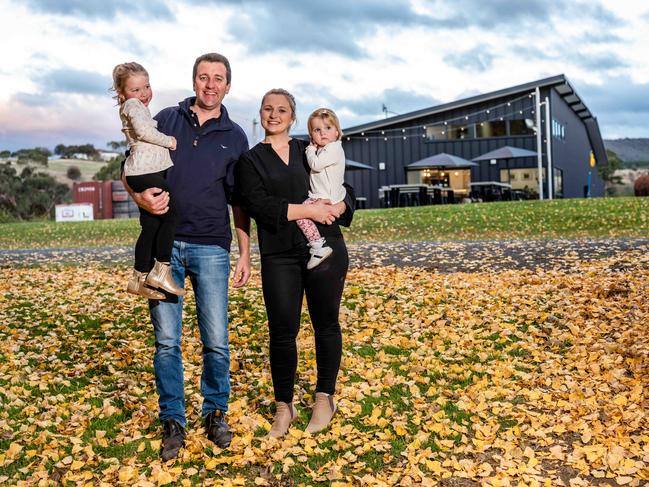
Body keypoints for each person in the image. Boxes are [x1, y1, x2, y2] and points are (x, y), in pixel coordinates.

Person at [123, 53, 251, 461]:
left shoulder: (235, 134)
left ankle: (215, 413)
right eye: (203, 77)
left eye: (218, 79)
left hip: (212, 246)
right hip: (166, 248)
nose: (210, 85)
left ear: (228, 86)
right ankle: (173, 419)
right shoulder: (163, 118)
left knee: (216, 341)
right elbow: (130, 166)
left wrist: (245, 253)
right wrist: (138, 196)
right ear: (193, 80)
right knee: (166, 342)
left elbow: (240, 201)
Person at [235, 89, 355, 438]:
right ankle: (283, 407)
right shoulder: (250, 161)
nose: (275, 115)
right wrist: (309, 210)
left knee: (326, 324)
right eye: (268, 109)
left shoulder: (312, 147)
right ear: (261, 114)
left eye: (282, 110)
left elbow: (345, 187)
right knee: (282, 331)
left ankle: (324, 397)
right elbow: (259, 206)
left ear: (292, 116)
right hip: (279, 254)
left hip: (326, 247)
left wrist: (339, 207)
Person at [112, 62, 185, 300]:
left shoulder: (135, 105)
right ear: (122, 94)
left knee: (152, 225)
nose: (143, 94)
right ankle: (161, 270)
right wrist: (169, 141)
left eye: (147, 86)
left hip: (141, 170)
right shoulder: (133, 106)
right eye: (135, 90)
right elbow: (144, 132)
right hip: (143, 170)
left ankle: (139, 278)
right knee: (172, 214)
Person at [297, 108, 347, 270]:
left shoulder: (333, 148)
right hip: (327, 194)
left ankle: (318, 247)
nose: (323, 133)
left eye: (328, 128)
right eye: (317, 130)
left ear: (337, 132)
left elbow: (316, 165)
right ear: (311, 134)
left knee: (301, 215)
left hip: (324, 197)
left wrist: (310, 150)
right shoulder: (324, 149)